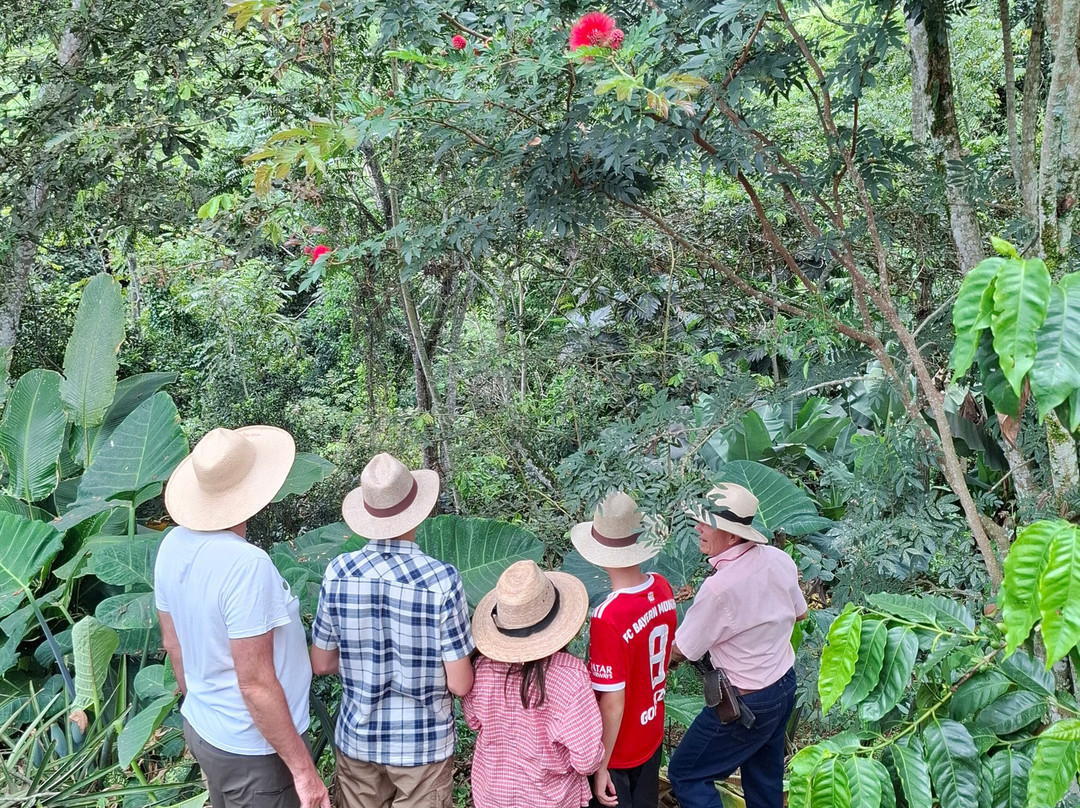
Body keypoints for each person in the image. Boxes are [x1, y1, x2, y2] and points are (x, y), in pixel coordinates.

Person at [154, 426, 329, 808]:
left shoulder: (172, 543)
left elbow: (172, 644)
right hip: (255, 752)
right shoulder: (246, 565)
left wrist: (204, 708)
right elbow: (255, 685)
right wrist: (305, 773)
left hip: (207, 731)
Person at [309, 452, 474, 808]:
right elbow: (460, 683)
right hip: (423, 745)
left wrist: (364, 666)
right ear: (418, 511)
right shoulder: (441, 581)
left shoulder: (338, 572)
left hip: (358, 740)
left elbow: (321, 663)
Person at [667, 483, 808, 808]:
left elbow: (683, 650)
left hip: (746, 703)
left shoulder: (718, 589)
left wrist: (658, 659)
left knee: (686, 773)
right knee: (764, 782)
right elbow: (800, 613)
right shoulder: (779, 559)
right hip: (784, 686)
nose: (698, 528)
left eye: (707, 523)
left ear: (732, 537)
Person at [464, 560, 606, 808]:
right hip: (551, 799)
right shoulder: (570, 676)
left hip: (493, 794)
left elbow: (473, 721)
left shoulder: (482, 667)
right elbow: (586, 758)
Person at [569, 492, 677, 808]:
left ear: (600, 554)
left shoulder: (608, 616)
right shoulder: (662, 586)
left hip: (620, 748)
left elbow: (612, 704)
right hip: (651, 730)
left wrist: (601, 764)